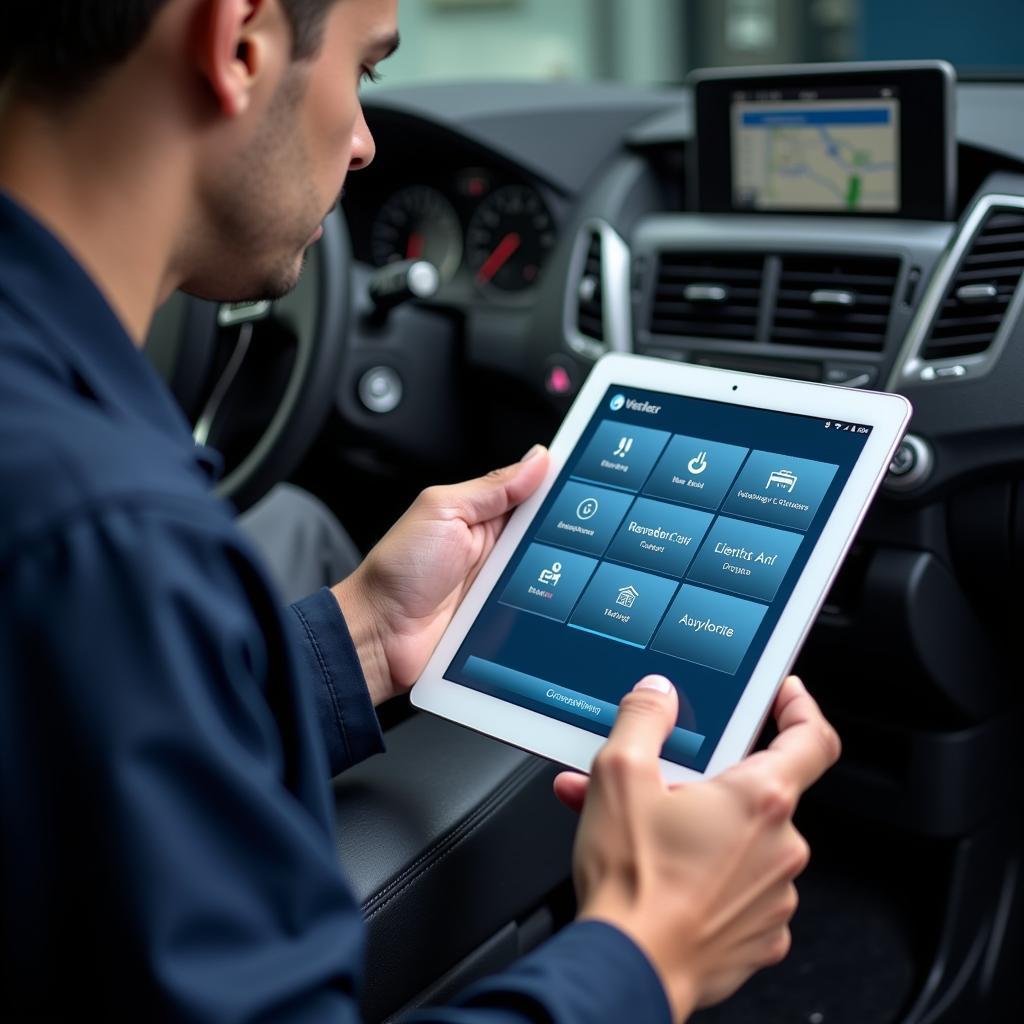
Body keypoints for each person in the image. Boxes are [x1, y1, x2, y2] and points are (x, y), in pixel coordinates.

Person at [0, 2, 841, 1021]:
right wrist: (647, 945)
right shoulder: (113, 533)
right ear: (240, 45)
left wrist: (351, 640)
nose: (361, 146)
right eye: (366, 73)